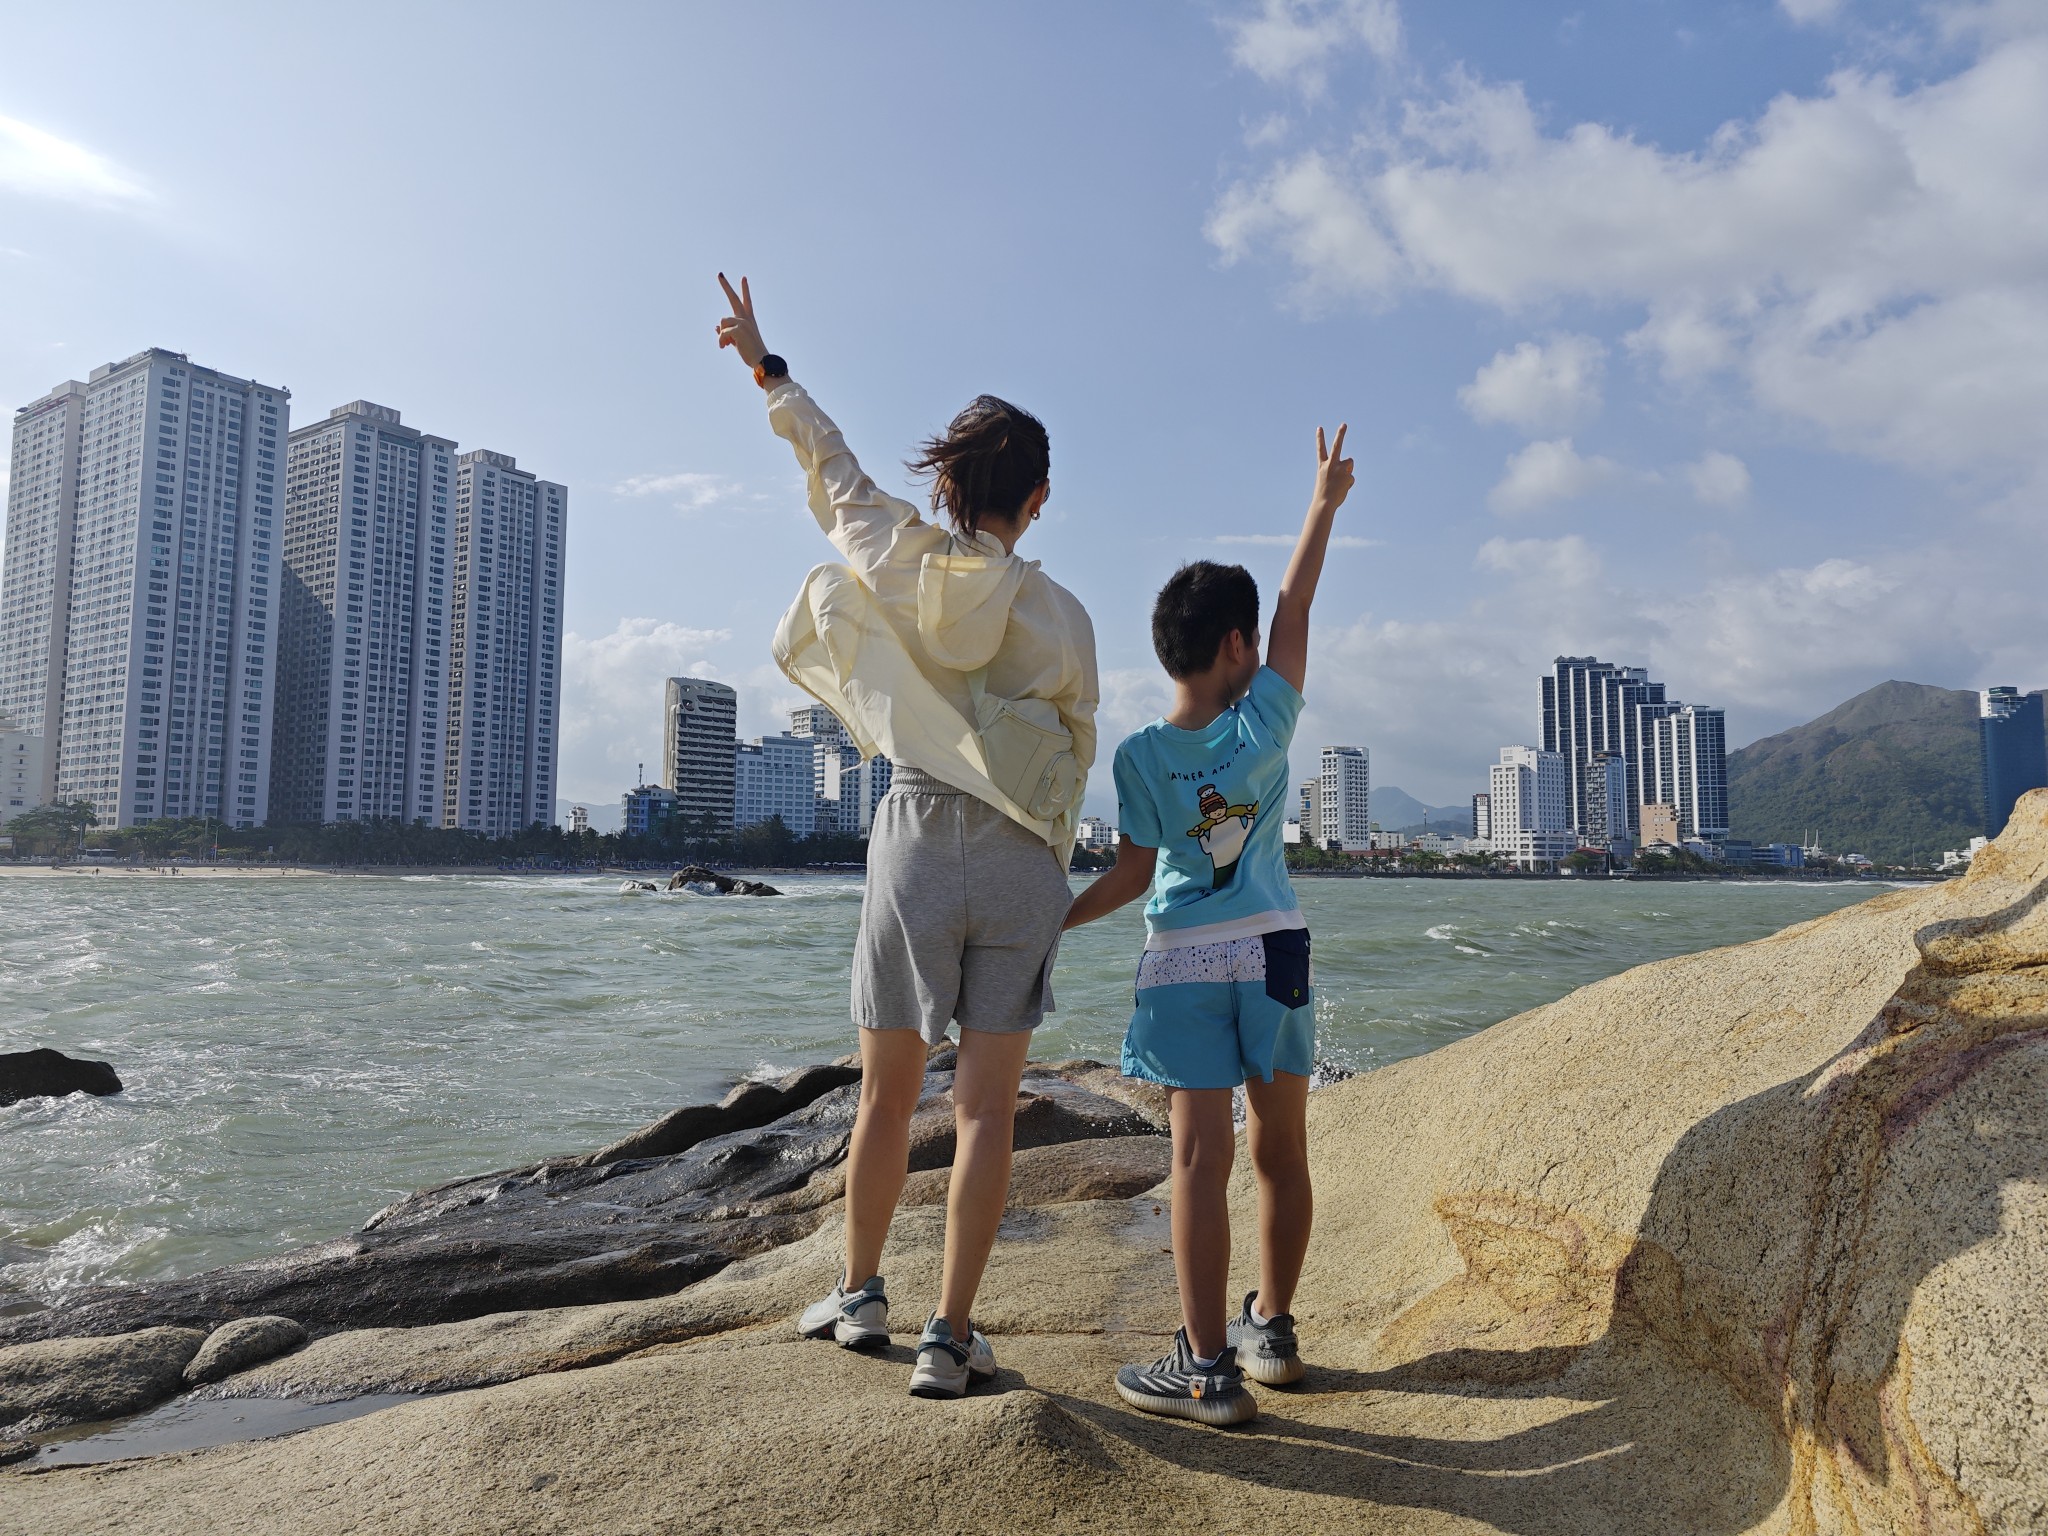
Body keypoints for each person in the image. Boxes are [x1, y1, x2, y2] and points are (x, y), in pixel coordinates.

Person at [714, 274, 1099, 1400]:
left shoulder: (895, 549)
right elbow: (1072, 751)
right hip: (1023, 852)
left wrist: (767, 369)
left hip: (918, 832)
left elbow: (827, 472)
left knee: (885, 1093)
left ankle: (862, 1292)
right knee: (984, 1108)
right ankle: (950, 1333)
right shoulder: (1062, 613)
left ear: (942, 481)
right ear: (1037, 498)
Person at [1061, 423, 1355, 1425]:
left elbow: (1132, 871)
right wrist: (1320, 504)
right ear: (1236, 650)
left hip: (1180, 962)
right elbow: (1295, 604)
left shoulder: (1139, 755)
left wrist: (1058, 920)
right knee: (1280, 1150)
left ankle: (1203, 1371)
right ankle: (1269, 1328)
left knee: (1196, 1161)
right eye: (1251, 641)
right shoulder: (1262, 725)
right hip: (1272, 947)